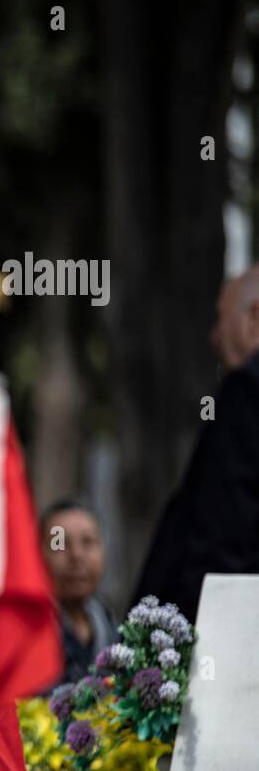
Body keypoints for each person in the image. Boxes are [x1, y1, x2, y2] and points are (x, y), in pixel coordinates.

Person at [132, 266, 259, 621]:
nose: (214, 338)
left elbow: (222, 539)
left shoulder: (247, 392)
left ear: (255, 316)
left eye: (221, 319)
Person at [38, 498, 117, 690]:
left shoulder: (110, 626)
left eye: (88, 542)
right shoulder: (30, 635)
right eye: (60, 544)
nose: (76, 555)